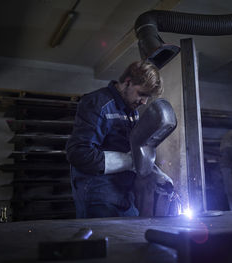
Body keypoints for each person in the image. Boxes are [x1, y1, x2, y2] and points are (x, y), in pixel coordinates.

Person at [66, 60, 163, 218]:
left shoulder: (132, 112)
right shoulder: (97, 103)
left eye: (148, 97)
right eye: (142, 94)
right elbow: (79, 153)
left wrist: (154, 172)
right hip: (98, 196)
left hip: (124, 196)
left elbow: (133, 152)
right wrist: (129, 162)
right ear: (128, 82)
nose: (144, 101)